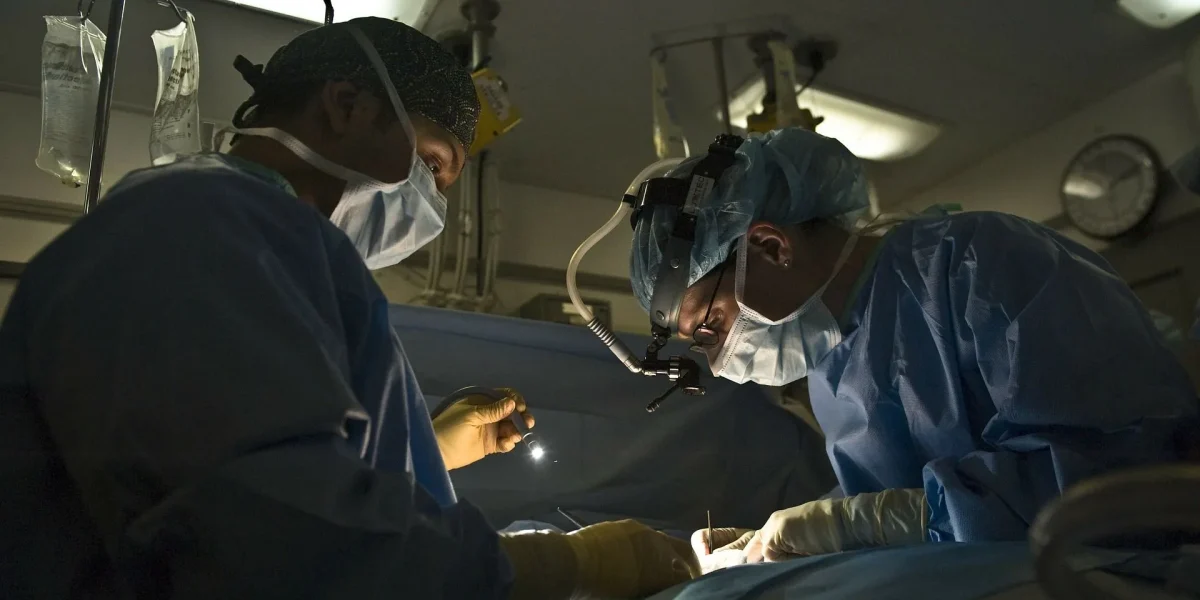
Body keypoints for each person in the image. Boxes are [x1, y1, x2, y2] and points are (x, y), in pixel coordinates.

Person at [0, 18, 696, 599]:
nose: (431, 205)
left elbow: (238, 453)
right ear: (345, 106)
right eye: (431, 163)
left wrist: (429, 449)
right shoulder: (199, 225)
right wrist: (573, 564)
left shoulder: (256, 242)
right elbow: (282, 537)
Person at [630, 127, 1200, 563]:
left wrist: (851, 525)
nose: (715, 360)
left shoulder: (985, 263)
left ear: (773, 246)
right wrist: (800, 530)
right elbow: (891, 497)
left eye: (710, 325)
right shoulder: (833, 366)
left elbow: (1114, 477)